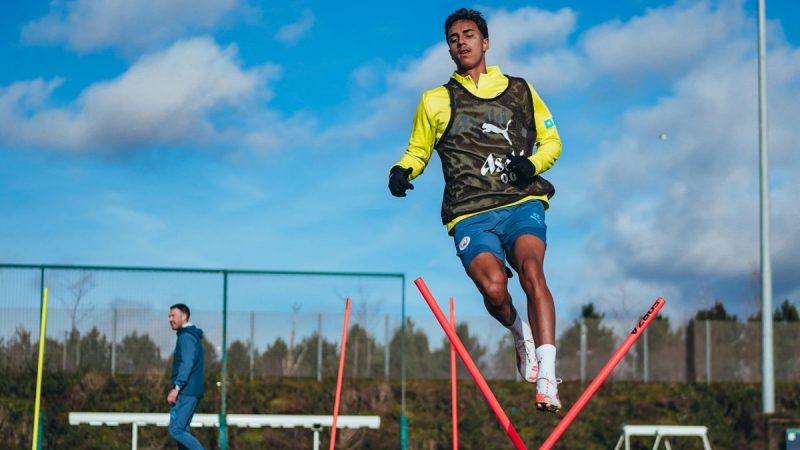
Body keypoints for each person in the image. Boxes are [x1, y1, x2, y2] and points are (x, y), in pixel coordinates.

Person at [388, 8, 563, 412]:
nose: (461, 42)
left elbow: (553, 142)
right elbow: (418, 150)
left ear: (485, 42)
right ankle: (520, 332)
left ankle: (549, 378)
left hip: (521, 202)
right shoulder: (435, 100)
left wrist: (532, 165)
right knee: (494, 289)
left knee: (532, 271)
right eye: (453, 38)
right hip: (470, 212)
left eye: (468, 34)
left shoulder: (520, 90)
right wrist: (401, 170)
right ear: (449, 49)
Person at [167, 303, 206, 449]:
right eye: (169, 316)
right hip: (188, 391)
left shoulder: (186, 337)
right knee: (183, 431)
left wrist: (176, 388)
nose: (170, 319)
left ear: (184, 317)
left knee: (176, 430)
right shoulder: (189, 335)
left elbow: (187, 364)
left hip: (186, 391)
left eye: (173, 316)